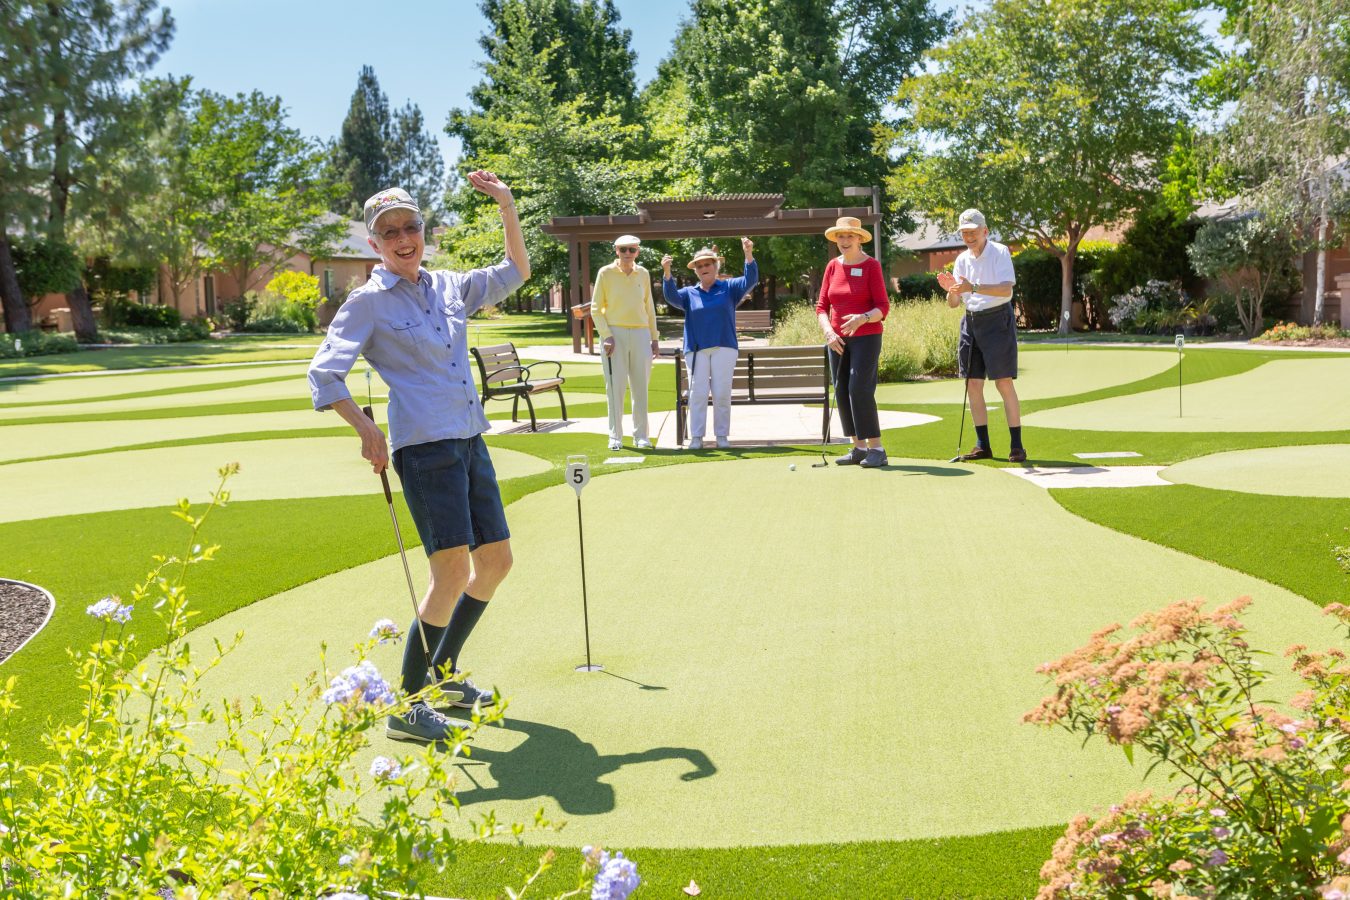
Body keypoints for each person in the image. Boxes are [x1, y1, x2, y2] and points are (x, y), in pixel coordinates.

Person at [307, 177, 529, 744]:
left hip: (468, 438)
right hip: (423, 448)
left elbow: (514, 272)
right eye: (389, 232)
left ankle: (445, 674)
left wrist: (506, 205)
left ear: (423, 233)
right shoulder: (367, 303)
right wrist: (364, 429)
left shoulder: (451, 285)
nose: (404, 238)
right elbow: (325, 373)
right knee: (451, 571)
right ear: (375, 244)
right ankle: (409, 703)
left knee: (496, 561)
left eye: (411, 227)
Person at [937, 208, 1027, 463]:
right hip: (971, 320)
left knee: (1003, 382)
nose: (968, 237)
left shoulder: (999, 252)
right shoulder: (961, 260)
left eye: (973, 232)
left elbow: (1006, 291)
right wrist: (951, 291)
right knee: (972, 384)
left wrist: (972, 287)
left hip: (997, 319)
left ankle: (1017, 446)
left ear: (985, 231)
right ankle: (982, 445)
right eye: (964, 233)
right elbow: (954, 303)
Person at [661, 239, 757, 449]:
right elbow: (671, 297)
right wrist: (667, 273)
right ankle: (696, 437)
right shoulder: (689, 293)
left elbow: (751, 279)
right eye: (699, 266)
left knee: (722, 393)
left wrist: (748, 254)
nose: (704, 268)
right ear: (696, 271)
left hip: (724, 345)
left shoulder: (729, 288)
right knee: (698, 393)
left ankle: (722, 436)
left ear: (716, 266)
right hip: (696, 349)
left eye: (707, 264)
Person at [816, 216, 890, 468]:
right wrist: (828, 332)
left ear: (860, 239)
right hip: (837, 340)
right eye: (840, 236)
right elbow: (821, 307)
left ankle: (877, 448)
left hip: (866, 336)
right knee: (842, 389)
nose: (844, 241)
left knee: (859, 388)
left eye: (850, 236)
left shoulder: (871, 266)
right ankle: (858, 448)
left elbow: (883, 307)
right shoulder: (832, 267)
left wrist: (862, 318)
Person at [591, 234, 659, 451]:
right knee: (615, 388)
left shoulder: (644, 273)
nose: (627, 254)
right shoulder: (605, 273)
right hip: (615, 334)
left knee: (641, 388)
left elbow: (649, 307)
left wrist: (654, 337)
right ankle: (615, 436)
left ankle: (641, 436)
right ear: (616, 250)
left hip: (641, 334)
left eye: (631, 250)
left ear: (637, 251)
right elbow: (596, 308)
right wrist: (606, 334)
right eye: (623, 250)